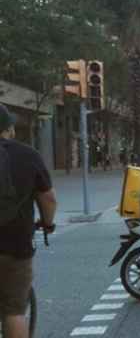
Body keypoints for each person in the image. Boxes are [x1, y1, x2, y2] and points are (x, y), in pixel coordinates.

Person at [0, 103, 57, 338]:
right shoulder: (27, 155)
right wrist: (47, 223)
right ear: (8, 129)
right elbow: (48, 199)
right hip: (14, 245)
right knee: (14, 311)